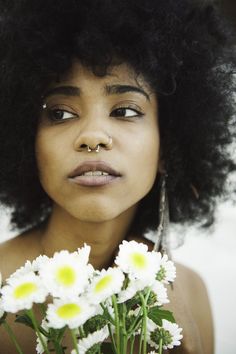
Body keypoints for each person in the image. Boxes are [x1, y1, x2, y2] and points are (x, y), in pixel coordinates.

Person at [0, 0, 235, 352]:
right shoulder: (5, 293)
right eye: (61, 114)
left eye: (125, 110)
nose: (92, 136)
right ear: (26, 141)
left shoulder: (191, 295)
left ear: (167, 145)